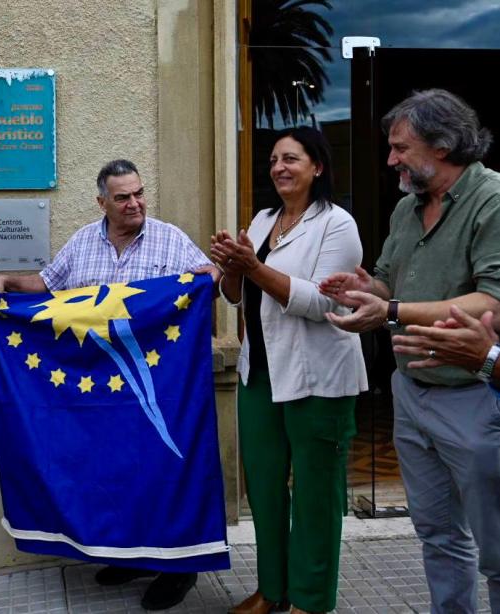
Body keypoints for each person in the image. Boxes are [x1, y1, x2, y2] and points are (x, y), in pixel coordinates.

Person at [0, 159, 218, 611]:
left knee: (162, 471)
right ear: (102, 202)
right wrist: (11, 282)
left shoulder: (171, 238)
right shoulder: (81, 243)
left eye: (139, 194)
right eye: (122, 197)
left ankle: (178, 569)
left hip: (159, 386)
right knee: (115, 472)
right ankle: (132, 555)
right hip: (100, 394)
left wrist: (215, 274)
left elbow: (209, 279)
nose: (134, 204)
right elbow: (49, 289)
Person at [321, 88, 500, 613]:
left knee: (496, 549)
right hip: (411, 394)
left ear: (442, 146)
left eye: (401, 147)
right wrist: (363, 290)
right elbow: (387, 281)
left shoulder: (492, 200)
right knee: (438, 536)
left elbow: (491, 300)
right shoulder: (407, 207)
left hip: (474, 397)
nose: (391, 158)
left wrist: (392, 311)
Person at [210, 127, 366, 614]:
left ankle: (310, 602)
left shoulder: (338, 225)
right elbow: (235, 297)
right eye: (274, 159)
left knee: (317, 494)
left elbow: (322, 301)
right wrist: (232, 269)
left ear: (317, 166)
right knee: (264, 488)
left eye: (291, 158)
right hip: (261, 374)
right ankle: (271, 592)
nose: (278, 167)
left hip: (320, 379)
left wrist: (251, 267)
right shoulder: (261, 220)